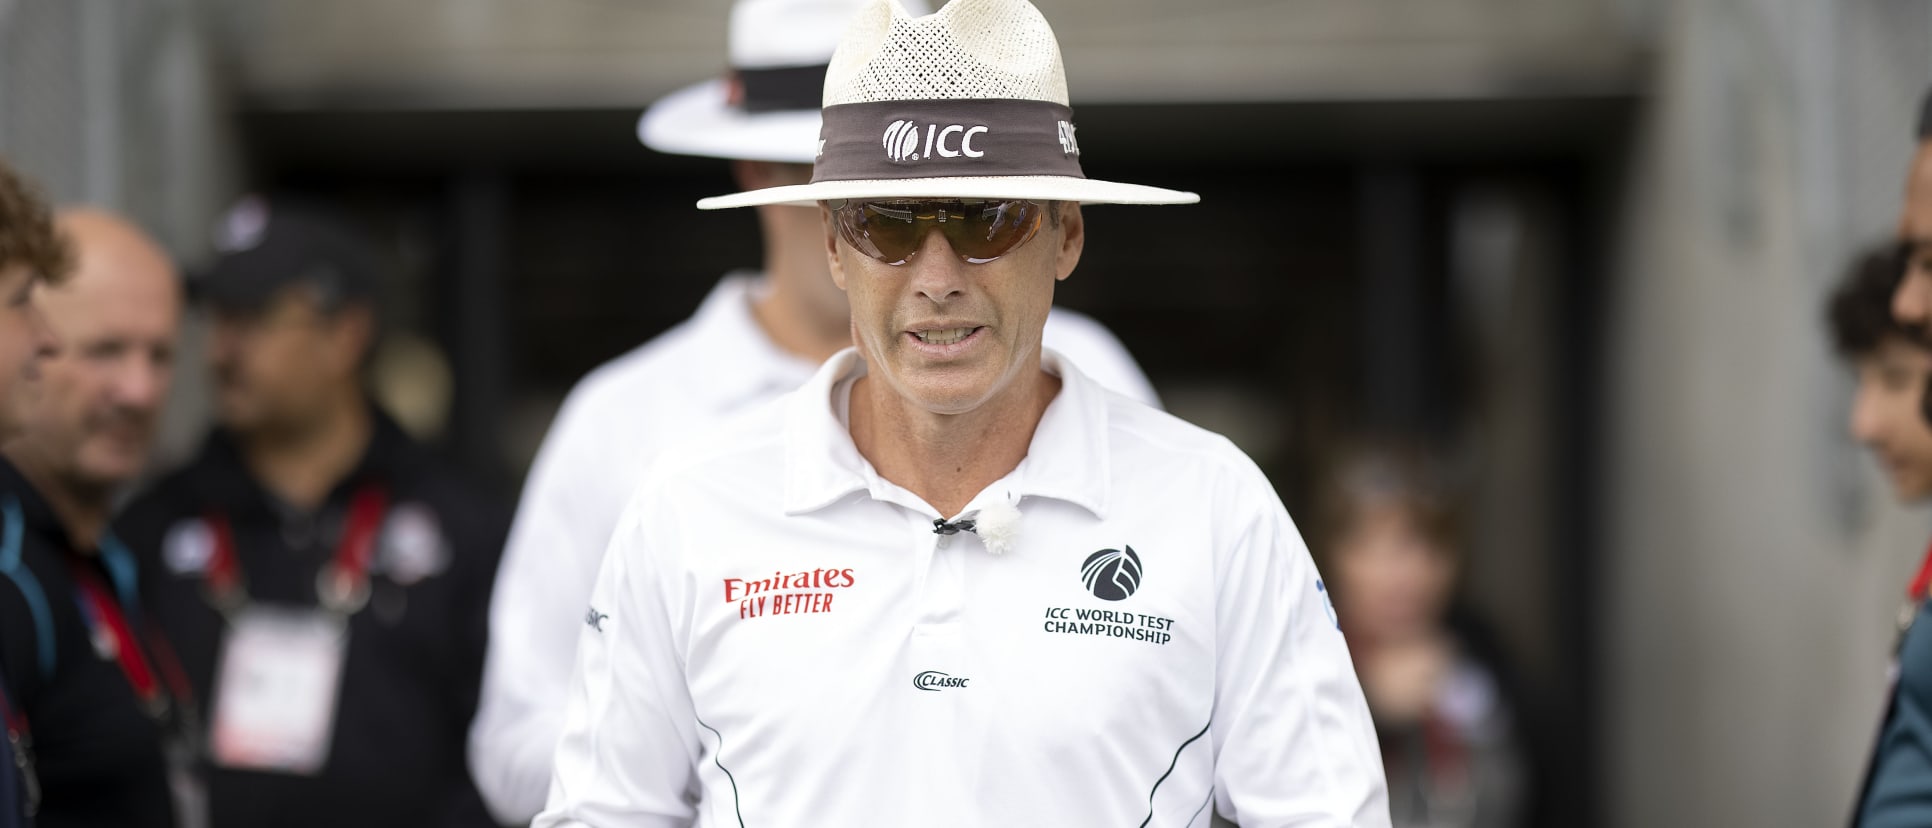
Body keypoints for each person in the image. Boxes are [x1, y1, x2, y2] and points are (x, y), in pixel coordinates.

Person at [533, 0, 1390, 825]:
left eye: (987, 219)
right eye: (889, 224)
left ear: (1068, 235)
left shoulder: (1214, 505)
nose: (937, 276)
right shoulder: (688, 504)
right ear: (834, 244)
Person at [467, 0, 1162, 821]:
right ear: (760, 174)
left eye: (970, 207)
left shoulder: (1083, 369)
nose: (924, 247)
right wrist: (754, 760)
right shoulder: (623, 420)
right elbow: (521, 739)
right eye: (869, 196)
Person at [112, 202, 507, 828]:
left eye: (253, 319)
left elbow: (509, 735)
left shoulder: (464, 526)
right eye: (215, 320)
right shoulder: (152, 528)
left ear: (346, 334)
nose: (220, 350)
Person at [0, 166, 187, 828]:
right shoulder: (11, 568)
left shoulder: (114, 546)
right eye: (105, 351)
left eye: (160, 355)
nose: (137, 391)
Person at [1316, 439, 1532, 828]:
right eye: (1376, 547)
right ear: (1333, 554)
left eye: (1424, 545)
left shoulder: (1487, 657)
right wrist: (1368, 711)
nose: (1402, 575)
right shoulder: (1303, 661)